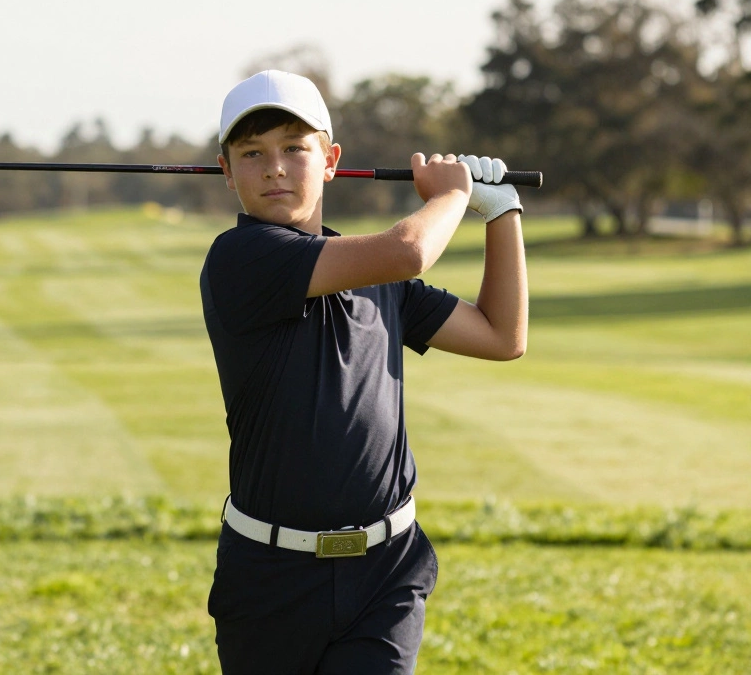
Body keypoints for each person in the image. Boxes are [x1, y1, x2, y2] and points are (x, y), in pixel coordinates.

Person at [201, 70, 528, 674]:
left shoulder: (381, 282)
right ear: (226, 170)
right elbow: (409, 249)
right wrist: (452, 195)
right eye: (252, 153)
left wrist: (502, 212)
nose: (274, 168)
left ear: (331, 161)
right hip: (271, 579)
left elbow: (501, 335)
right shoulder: (238, 258)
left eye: (294, 148)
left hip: (386, 572)